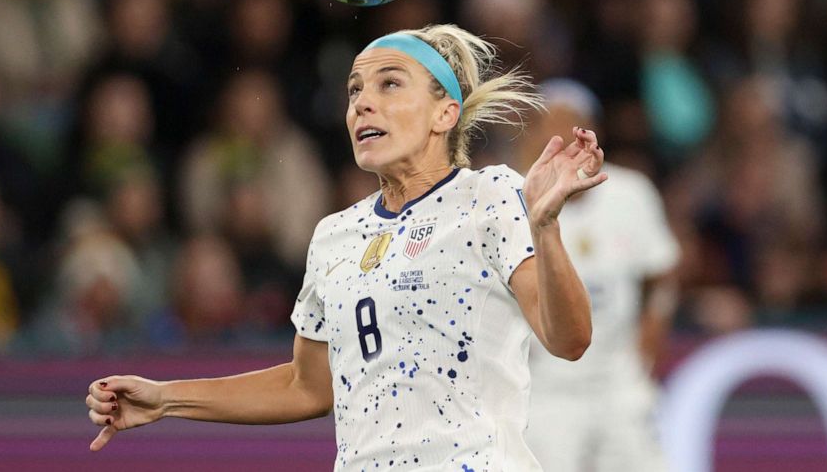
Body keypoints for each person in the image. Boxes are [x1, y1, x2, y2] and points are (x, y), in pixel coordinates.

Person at [85, 24, 607, 470]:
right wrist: (164, 398)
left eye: (389, 84)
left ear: (444, 114)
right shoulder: (335, 235)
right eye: (354, 90)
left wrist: (545, 227)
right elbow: (305, 386)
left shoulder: (489, 197)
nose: (362, 102)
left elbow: (569, 339)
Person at [520, 79, 680, 472]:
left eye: (572, 124)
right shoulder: (513, 197)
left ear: (594, 131)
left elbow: (663, 275)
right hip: (548, 387)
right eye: (548, 125)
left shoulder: (632, 192)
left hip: (618, 378)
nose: (560, 136)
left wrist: (648, 340)